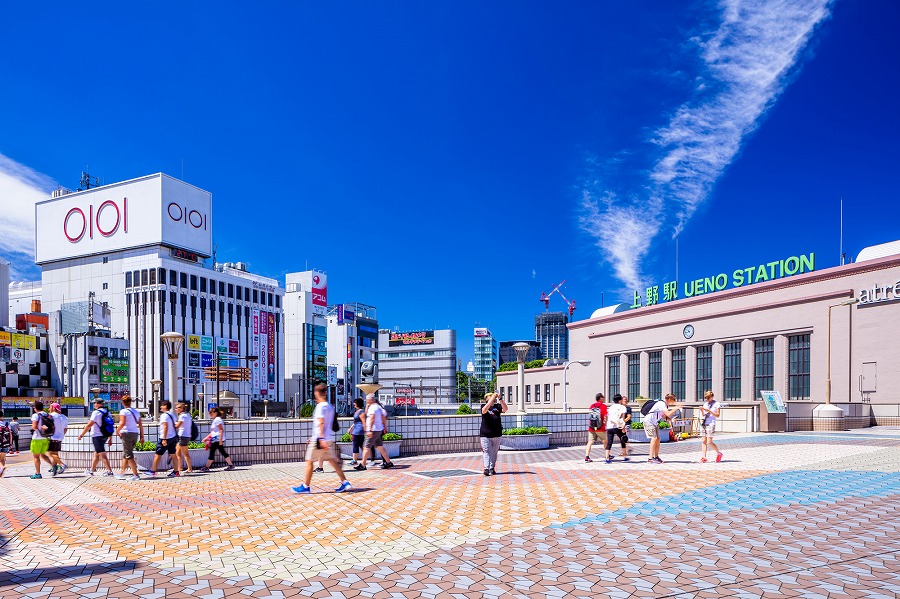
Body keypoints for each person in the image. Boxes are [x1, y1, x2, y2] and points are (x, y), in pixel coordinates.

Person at [292, 383, 351, 494]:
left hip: (320, 440)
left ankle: (305, 486)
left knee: (309, 461)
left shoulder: (320, 407)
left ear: (317, 393)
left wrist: (320, 438)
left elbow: (321, 423)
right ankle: (345, 482)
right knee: (333, 462)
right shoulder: (329, 406)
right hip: (328, 438)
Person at [356, 394, 395, 470]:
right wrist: (385, 427)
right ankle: (388, 462)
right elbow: (383, 417)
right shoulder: (379, 407)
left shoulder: (373, 408)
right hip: (378, 429)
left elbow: (372, 418)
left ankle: (363, 464)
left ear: (370, 400)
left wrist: (369, 430)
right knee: (380, 446)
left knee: (366, 447)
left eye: (367, 399)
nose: (366, 401)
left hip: (373, 430)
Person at [77, 398, 114, 476]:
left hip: (97, 436)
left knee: (102, 454)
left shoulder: (96, 413)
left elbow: (89, 425)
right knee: (96, 454)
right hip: (105, 435)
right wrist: (110, 438)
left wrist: (81, 435)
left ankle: (109, 471)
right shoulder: (107, 412)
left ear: (98, 403)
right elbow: (110, 426)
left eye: (94, 403)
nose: (94, 404)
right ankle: (91, 470)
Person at [644, 394, 682, 464]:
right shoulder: (661, 403)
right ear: (670, 399)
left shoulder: (665, 405)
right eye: (674, 400)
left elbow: (665, 417)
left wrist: (671, 420)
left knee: (658, 439)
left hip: (654, 422)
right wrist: (676, 408)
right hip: (648, 421)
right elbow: (668, 413)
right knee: (654, 438)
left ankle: (656, 457)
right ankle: (650, 458)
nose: (674, 401)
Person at [115, 396, 143, 480]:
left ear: (123, 403)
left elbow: (123, 423)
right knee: (126, 453)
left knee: (129, 455)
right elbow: (140, 425)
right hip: (135, 433)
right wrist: (142, 436)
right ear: (130, 402)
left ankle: (135, 475)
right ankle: (122, 472)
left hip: (126, 433)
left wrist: (117, 430)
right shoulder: (136, 412)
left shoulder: (123, 411)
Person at [480, 392, 507, 476]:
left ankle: (492, 468)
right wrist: (492, 398)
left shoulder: (497, 407)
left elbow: (505, 409)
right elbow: (484, 410)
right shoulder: (483, 407)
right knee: (486, 451)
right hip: (485, 434)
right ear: (486, 400)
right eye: (489, 398)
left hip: (497, 434)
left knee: (494, 452)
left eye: (492, 399)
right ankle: (486, 468)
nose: (492, 400)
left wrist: (500, 398)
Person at [201, 406, 236, 471]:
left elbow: (221, 430)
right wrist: (206, 438)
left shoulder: (217, 420)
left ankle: (207, 467)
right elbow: (213, 432)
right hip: (216, 438)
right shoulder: (215, 420)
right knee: (222, 452)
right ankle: (230, 465)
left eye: (211, 412)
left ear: (216, 412)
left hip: (217, 439)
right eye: (209, 412)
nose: (210, 414)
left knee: (212, 452)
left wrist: (220, 440)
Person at [150, 400, 179, 477]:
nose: (160, 407)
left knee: (158, 454)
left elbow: (165, 427)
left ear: (165, 406)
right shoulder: (172, 415)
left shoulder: (164, 416)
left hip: (166, 437)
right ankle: (176, 471)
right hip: (172, 437)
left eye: (162, 405)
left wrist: (164, 438)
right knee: (173, 454)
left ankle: (153, 471)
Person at [30, 401, 55, 479]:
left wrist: (39, 427)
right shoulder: (47, 414)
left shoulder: (35, 415)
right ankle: (54, 466)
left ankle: (38, 473)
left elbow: (34, 427)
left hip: (37, 438)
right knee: (43, 455)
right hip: (45, 438)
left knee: (36, 457)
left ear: (35, 408)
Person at [698, 390, 724, 463]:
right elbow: (704, 414)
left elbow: (717, 415)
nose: (707, 399)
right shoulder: (705, 404)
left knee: (709, 442)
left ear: (712, 396)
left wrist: (709, 411)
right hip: (704, 422)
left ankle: (719, 453)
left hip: (711, 423)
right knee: (703, 441)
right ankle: (704, 457)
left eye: (708, 397)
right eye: (706, 398)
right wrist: (702, 410)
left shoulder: (716, 404)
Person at [604, 394, 628, 463]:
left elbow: (607, 417)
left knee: (609, 442)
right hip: (618, 426)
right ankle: (624, 457)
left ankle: (607, 458)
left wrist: (606, 426)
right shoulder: (622, 407)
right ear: (620, 400)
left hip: (609, 426)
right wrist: (623, 427)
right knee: (623, 440)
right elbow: (623, 418)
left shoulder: (610, 407)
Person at [584, 392, 607, 462]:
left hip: (591, 427)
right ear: (600, 398)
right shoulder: (603, 406)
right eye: (603, 397)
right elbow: (605, 417)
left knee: (590, 442)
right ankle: (607, 455)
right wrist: (605, 425)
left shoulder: (592, 406)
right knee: (605, 441)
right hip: (600, 427)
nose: (604, 398)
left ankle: (587, 456)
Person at [48, 403, 69, 476]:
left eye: (50, 407)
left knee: (51, 453)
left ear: (53, 408)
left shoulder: (51, 416)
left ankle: (62, 465)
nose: (49, 409)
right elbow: (65, 429)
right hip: (60, 438)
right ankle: (54, 469)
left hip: (52, 437)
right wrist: (61, 436)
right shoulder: (64, 417)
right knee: (55, 454)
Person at [174, 401, 194, 474]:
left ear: (181, 408)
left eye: (177, 408)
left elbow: (177, 426)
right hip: (186, 435)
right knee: (178, 452)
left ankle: (190, 469)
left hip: (183, 436)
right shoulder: (188, 415)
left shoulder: (182, 416)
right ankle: (179, 467)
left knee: (185, 453)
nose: (176, 409)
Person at [348, 397, 366, 466]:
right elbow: (355, 422)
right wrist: (351, 428)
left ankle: (354, 460)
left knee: (356, 445)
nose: (353, 404)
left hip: (358, 431)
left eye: (355, 402)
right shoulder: (357, 411)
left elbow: (363, 421)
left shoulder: (361, 411)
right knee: (361, 446)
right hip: (356, 430)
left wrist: (365, 430)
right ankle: (369, 458)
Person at [0, 409, 10, 477]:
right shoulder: (7, 423)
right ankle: (1, 470)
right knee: (2, 459)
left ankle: (1, 468)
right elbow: (10, 434)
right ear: (3, 416)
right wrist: (11, 444)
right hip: (6, 444)